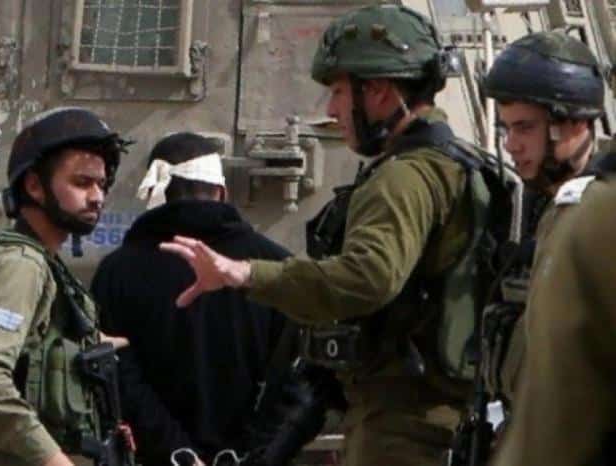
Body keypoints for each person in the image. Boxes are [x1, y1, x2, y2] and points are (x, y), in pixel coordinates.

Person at [160, 5, 507, 466]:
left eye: (340, 92)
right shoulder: (462, 165)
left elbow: (368, 277)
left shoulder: (404, 177)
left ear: (379, 91)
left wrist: (244, 274)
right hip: (442, 415)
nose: (331, 110)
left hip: (401, 428)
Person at [91, 132, 327, 466]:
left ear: (156, 194)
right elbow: (300, 381)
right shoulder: (274, 267)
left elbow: (116, 375)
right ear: (221, 192)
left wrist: (177, 454)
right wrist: (253, 455)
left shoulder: (116, 273)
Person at [0, 107, 130, 466]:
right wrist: (52, 459)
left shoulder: (43, 263)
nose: (97, 197)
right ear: (35, 186)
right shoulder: (20, 266)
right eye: (82, 183)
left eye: (101, 185)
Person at [478, 30, 607, 419]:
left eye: (525, 127)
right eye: (506, 129)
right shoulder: (545, 206)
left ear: (574, 125)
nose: (510, 145)